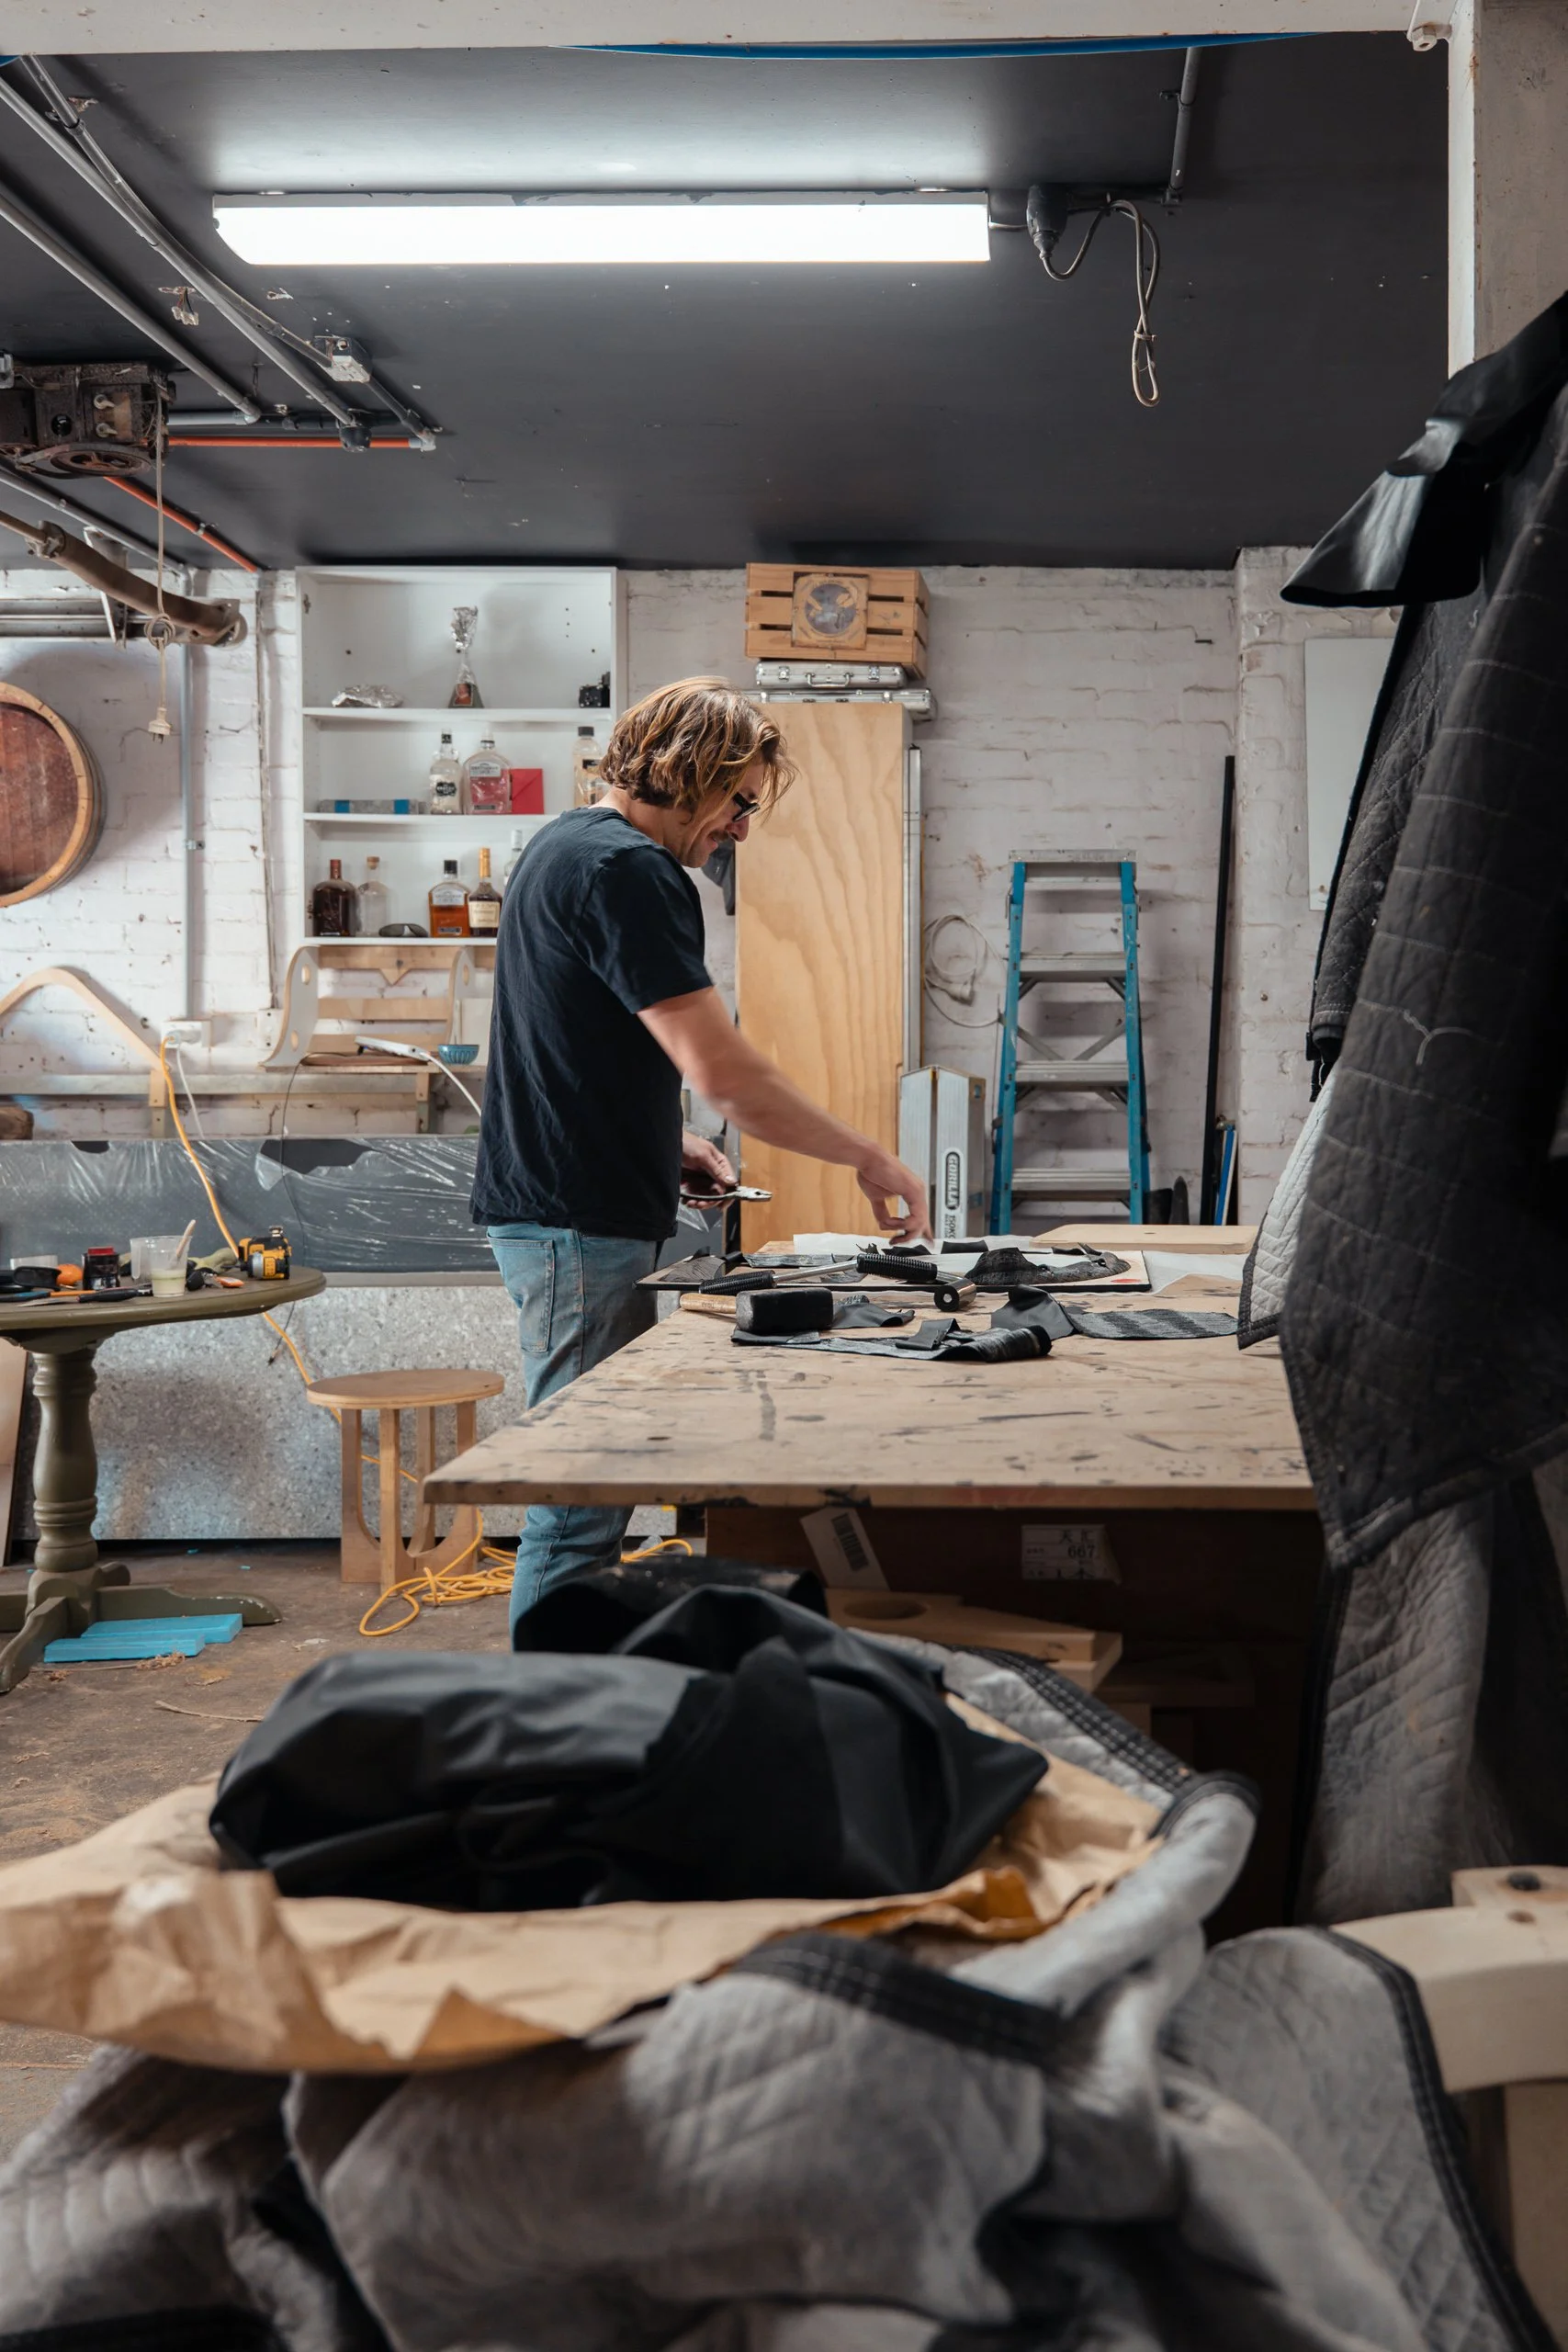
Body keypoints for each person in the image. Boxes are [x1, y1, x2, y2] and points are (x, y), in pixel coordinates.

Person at [473, 675, 931, 1627]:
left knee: (593, 1485)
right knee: (582, 1488)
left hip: (571, 1206)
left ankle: (578, 1706)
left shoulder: (562, 844)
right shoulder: (632, 873)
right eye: (740, 801)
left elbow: (571, 1039)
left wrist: (659, 1136)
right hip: (574, 1221)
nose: (742, 828)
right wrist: (868, 1157)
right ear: (690, 771)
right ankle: (546, 1732)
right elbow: (728, 1077)